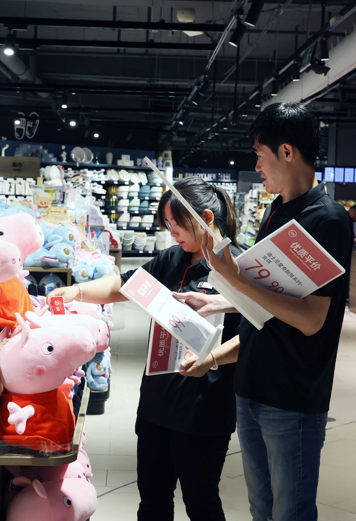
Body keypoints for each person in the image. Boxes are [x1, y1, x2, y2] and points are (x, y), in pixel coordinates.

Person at [176, 102, 353, 521]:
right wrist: (222, 301)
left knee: (290, 511)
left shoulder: (327, 220)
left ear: (287, 152)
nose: (256, 165)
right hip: (251, 384)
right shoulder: (276, 211)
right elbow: (270, 301)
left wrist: (234, 280)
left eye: (260, 154)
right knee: (261, 507)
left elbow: (311, 319)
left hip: (292, 396)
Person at [49, 177, 242, 521]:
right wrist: (77, 292)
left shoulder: (236, 268)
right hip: (157, 403)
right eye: (166, 222)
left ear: (206, 218)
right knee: (152, 500)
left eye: (176, 222)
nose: (171, 231)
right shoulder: (171, 259)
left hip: (205, 409)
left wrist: (211, 358)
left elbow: (253, 338)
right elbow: (124, 286)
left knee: (201, 502)